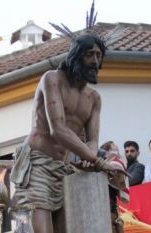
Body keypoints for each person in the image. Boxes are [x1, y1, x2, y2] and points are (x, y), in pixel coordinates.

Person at [8, 32, 126, 233]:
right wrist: (97, 160)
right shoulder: (52, 79)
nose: (95, 61)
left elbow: (92, 142)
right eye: (90, 55)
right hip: (37, 165)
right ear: (76, 55)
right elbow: (58, 129)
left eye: (99, 56)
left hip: (64, 169)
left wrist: (90, 158)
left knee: (68, 228)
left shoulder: (94, 98)